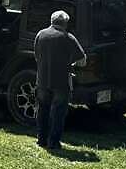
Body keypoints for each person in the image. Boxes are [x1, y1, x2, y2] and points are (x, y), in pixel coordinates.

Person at [33, 9, 86, 150]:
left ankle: (41, 139)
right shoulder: (68, 38)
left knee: (42, 109)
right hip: (61, 81)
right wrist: (72, 63)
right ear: (65, 23)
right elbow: (82, 60)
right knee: (58, 113)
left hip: (43, 79)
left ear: (51, 21)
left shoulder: (40, 34)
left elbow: (36, 55)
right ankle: (53, 142)